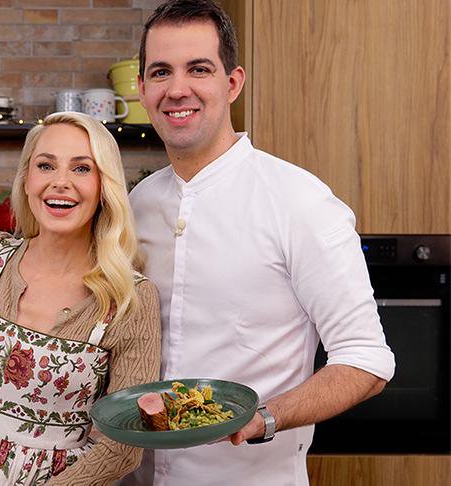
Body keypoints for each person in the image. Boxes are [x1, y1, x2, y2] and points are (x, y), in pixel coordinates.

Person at [125, 1, 396, 484]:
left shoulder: (300, 202)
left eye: (199, 69)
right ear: (143, 89)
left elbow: (366, 359)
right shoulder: (136, 203)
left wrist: (263, 418)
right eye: (161, 72)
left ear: (232, 83)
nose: (177, 89)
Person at [0, 111, 161, 485]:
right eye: (46, 165)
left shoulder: (130, 298)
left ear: (105, 187)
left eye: (82, 169)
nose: (60, 183)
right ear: (26, 180)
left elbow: (123, 446)